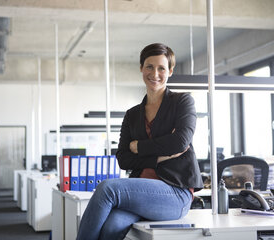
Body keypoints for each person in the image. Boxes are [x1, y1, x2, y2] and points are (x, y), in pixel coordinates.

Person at [76, 43, 203, 240]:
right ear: (141, 68)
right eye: (149, 67)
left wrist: (139, 147)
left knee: (107, 188)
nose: (155, 73)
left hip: (175, 193)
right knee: (110, 227)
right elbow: (124, 159)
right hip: (140, 192)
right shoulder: (132, 115)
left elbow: (180, 142)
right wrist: (158, 158)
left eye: (161, 68)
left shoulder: (182, 102)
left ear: (170, 71)